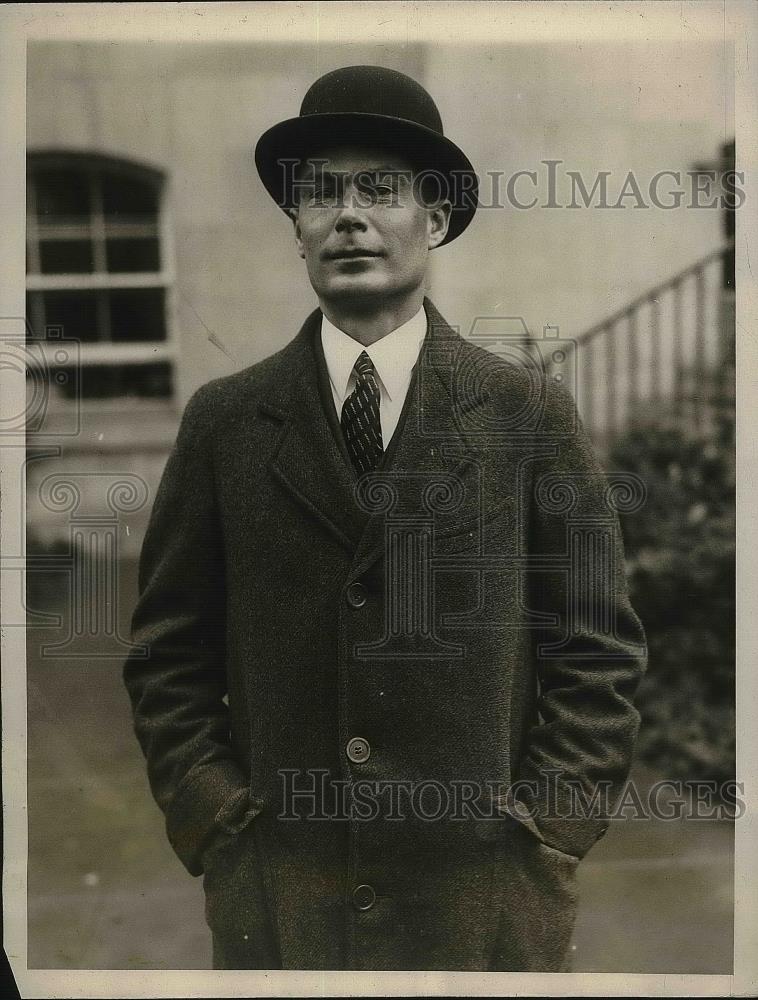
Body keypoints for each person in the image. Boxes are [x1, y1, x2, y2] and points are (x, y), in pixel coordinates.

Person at [122, 64, 647, 973]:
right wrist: (218, 824)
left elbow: (597, 649)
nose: (348, 214)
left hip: (483, 898)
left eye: (381, 190)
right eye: (320, 193)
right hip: (284, 903)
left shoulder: (525, 414)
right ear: (296, 229)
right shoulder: (226, 421)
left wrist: (548, 836)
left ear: (435, 220)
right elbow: (169, 652)